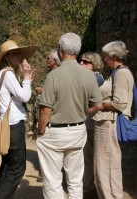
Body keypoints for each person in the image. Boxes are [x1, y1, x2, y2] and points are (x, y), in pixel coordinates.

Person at [36, 33, 103, 199]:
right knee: (75, 180)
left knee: (53, 181)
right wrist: (81, 112)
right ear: (78, 51)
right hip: (78, 130)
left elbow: (45, 110)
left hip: (55, 133)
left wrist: (40, 131)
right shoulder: (88, 75)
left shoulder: (53, 75)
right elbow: (98, 105)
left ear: (60, 50)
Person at [0, 40, 37, 199]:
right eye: (15, 53)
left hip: (6, 125)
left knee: (7, 165)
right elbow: (25, 96)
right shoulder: (8, 74)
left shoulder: (0, 75)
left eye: (19, 53)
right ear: (6, 57)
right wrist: (27, 79)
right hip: (13, 125)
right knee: (17, 168)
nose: (19, 56)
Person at [93, 41, 134, 199]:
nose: (103, 59)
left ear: (114, 56)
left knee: (105, 167)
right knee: (108, 166)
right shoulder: (118, 72)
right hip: (107, 122)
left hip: (108, 123)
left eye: (106, 56)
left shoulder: (122, 73)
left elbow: (119, 103)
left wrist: (98, 105)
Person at [79, 52, 104, 198]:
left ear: (94, 64)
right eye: (81, 61)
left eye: (86, 62)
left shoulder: (96, 78)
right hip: (89, 120)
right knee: (87, 157)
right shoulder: (93, 77)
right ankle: (88, 187)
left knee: (89, 157)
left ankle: (88, 188)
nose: (82, 63)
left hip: (91, 121)